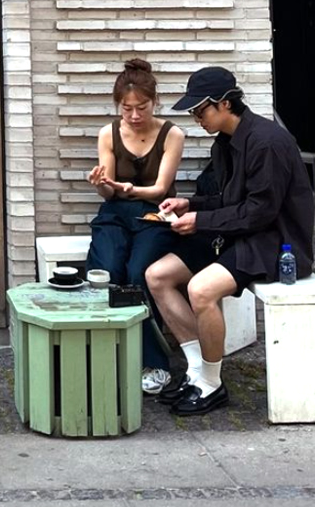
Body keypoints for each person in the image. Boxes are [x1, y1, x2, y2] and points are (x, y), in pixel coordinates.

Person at [146, 66, 315, 416]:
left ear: (224, 104)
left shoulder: (267, 142)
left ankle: (211, 384)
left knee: (201, 290)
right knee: (157, 276)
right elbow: (230, 202)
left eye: (199, 110)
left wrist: (200, 221)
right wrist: (189, 204)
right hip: (238, 234)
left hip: (276, 242)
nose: (196, 118)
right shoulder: (225, 143)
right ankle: (197, 372)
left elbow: (260, 213)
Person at [84, 58, 185, 395]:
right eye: (126, 109)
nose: (134, 115)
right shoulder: (108, 133)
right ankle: (103, 355)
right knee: (107, 271)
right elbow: (109, 188)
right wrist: (100, 184)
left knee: (139, 273)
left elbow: (159, 189)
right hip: (115, 211)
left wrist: (131, 189)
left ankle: (155, 363)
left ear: (154, 101)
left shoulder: (173, 134)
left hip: (154, 213)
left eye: (141, 107)